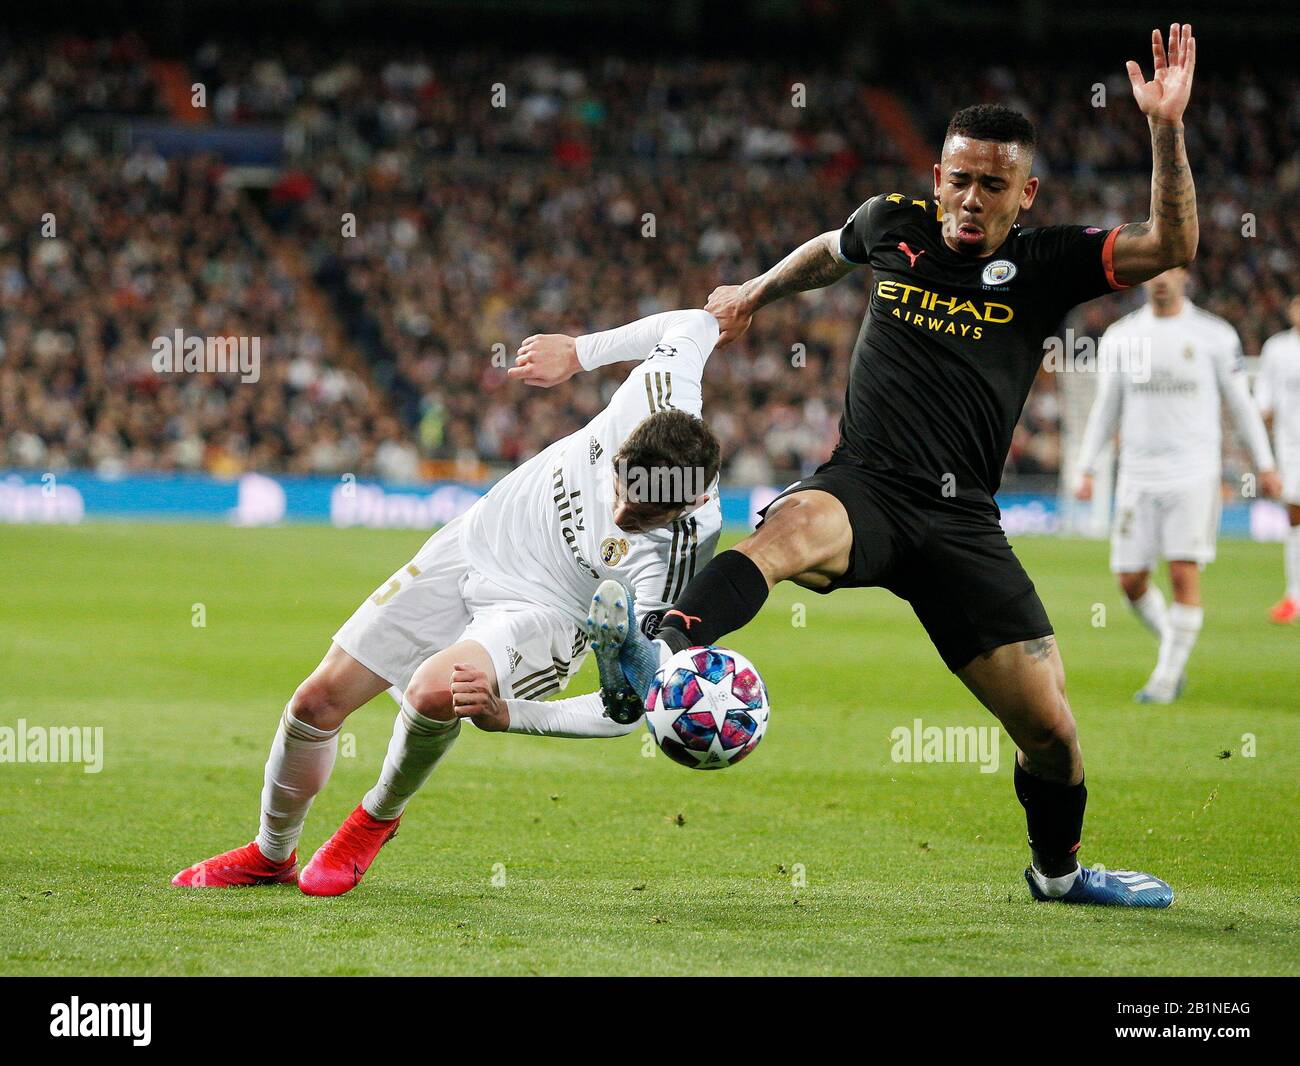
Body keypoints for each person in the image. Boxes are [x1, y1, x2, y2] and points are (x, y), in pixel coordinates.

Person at [586, 25, 1206, 908]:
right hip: (865, 487)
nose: (970, 199)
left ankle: (1059, 876)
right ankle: (664, 645)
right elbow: (826, 250)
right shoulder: (892, 227)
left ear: (1025, 193)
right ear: (938, 178)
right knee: (787, 532)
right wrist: (756, 292)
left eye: (994, 186)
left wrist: (1166, 130)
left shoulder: (1045, 262)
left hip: (962, 526)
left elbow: (1171, 246)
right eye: (959, 179)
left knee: (1054, 737)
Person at [172, 309, 722, 894]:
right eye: (619, 489)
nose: (619, 515)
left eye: (641, 518)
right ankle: (271, 853)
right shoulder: (660, 390)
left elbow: (631, 708)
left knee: (435, 690)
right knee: (316, 702)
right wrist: (580, 352)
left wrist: (511, 717)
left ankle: (374, 819)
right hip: (471, 542)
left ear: (685, 508)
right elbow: (696, 322)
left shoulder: (680, 559)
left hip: (544, 611)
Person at [1074, 268, 1278, 702]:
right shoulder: (1121, 337)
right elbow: (1106, 409)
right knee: (1129, 580)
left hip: (1193, 472)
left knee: (1183, 572)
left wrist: (1266, 463)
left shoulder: (1214, 335)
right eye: (1154, 272)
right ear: (1144, 278)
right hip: (1136, 475)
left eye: (1170, 271)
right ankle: (1175, 648)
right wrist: (1087, 467)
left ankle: (1166, 678)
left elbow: (1241, 406)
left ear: (1186, 274)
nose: (1161, 280)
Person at [1255, 294, 1300, 624]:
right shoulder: (1278, 348)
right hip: (1292, 448)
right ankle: (1294, 595)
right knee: (1296, 518)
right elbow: (1264, 402)